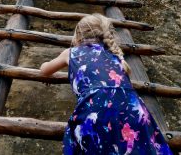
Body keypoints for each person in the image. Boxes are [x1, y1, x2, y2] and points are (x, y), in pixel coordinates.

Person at [40, 14, 173, 154]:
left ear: (78, 36)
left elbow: (45, 70)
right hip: (133, 109)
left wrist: (44, 64)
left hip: (97, 107)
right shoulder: (116, 55)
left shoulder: (71, 53)